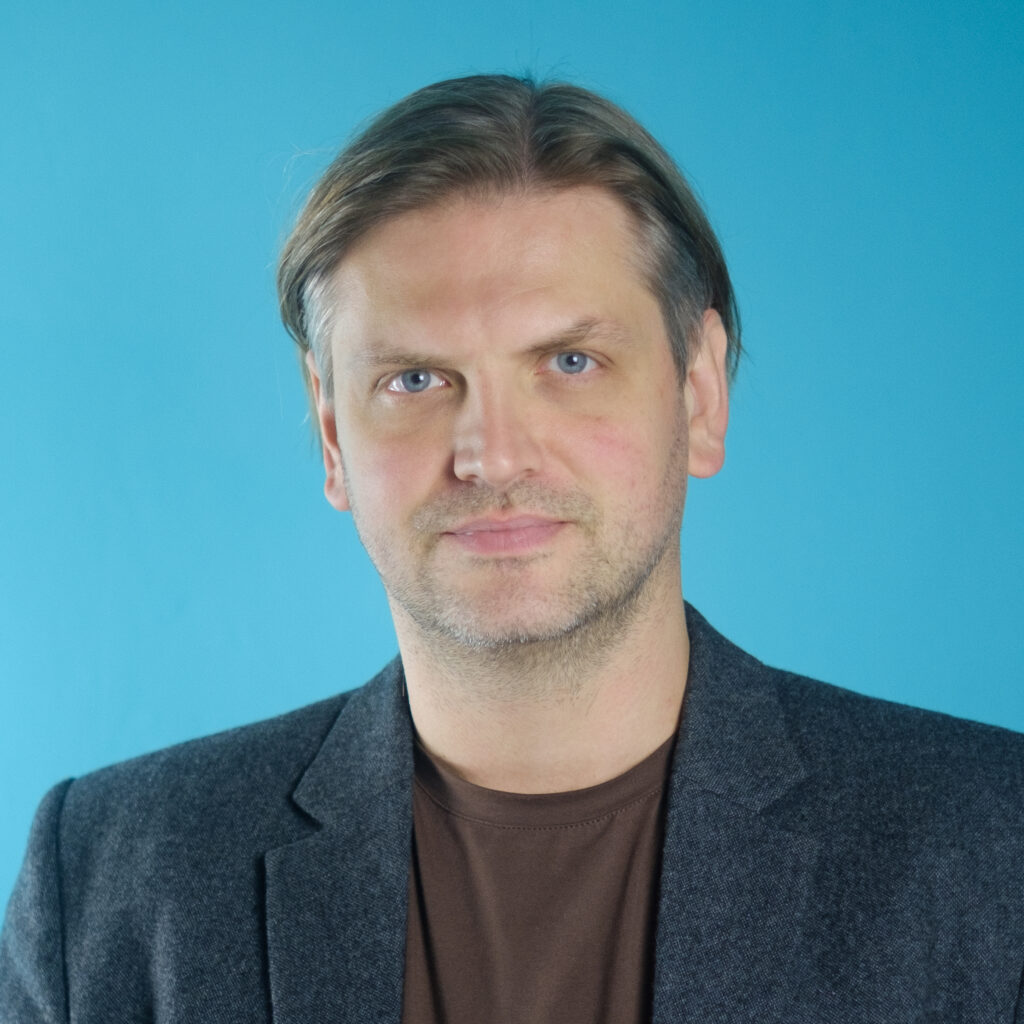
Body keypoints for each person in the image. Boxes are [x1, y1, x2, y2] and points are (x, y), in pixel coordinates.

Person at [2, 74, 1022, 1024]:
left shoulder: (992, 846)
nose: (490, 456)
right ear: (332, 434)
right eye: (414, 380)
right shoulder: (106, 881)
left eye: (570, 361)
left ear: (700, 393)